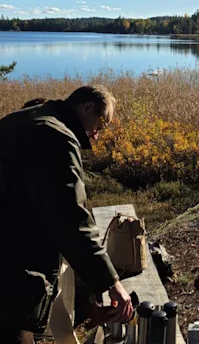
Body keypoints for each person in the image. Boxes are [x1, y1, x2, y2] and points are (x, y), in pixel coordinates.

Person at [0, 86, 133, 342]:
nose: (97, 135)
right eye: (101, 123)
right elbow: (71, 218)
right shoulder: (57, 137)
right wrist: (111, 283)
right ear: (86, 108)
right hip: (11, 268)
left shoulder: (23, 119)